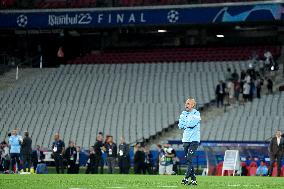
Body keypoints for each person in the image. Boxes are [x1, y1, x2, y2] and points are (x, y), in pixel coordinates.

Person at [179, 98, 201, 186]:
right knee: (188, 160)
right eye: (186, 103)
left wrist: (185, 123)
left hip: (194, 140)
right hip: (185, 139)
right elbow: (180, 125)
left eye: (188, 103)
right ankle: (194, 180)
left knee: (189, 158)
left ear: (192, 105)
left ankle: (185, 178)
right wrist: (187, 123)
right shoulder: (183, 113)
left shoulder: (196, 113)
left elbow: (192, 124)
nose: (186, 105)